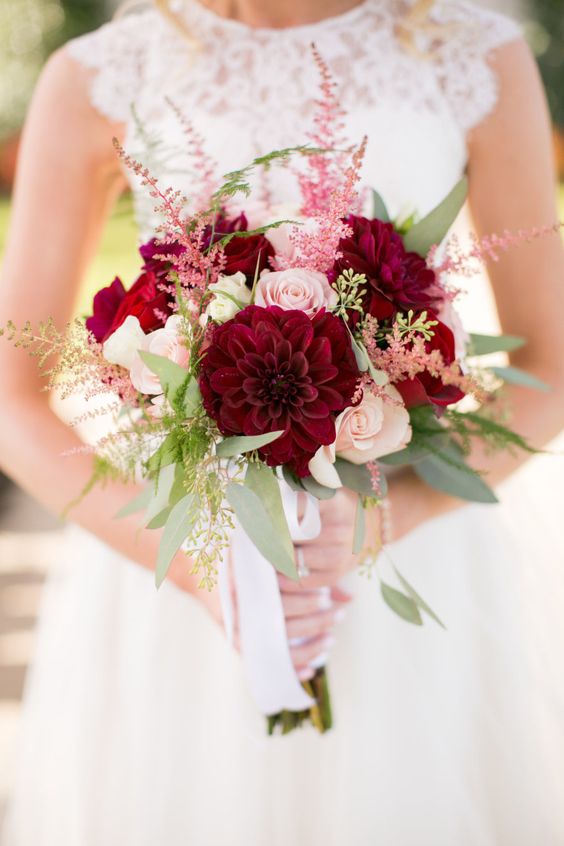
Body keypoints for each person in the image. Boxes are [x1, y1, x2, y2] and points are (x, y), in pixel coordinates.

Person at [1, 0, 563, 843]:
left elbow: (551, 367)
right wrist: (201, 567)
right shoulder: (99, 73)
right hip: (179, 560)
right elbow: (9, 397)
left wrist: (378, 521)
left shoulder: (474, 54)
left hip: (403, 559)